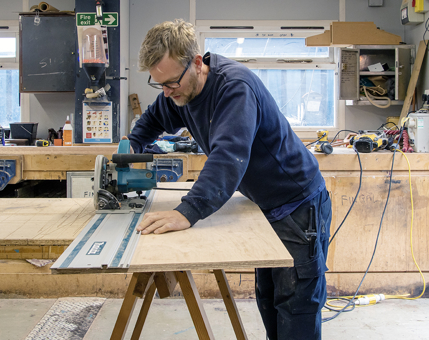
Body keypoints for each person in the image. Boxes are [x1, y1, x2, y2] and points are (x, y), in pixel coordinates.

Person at [128, 19, 332, 340]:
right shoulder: (181, 90)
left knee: (296, 304)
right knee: (268, 299)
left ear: (197, 63)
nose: (167, 93)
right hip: (265, 205)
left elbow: (228, 158)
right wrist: (129, 149)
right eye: (160, 85)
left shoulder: (234, 88)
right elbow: (153, 119)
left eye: (170, 84)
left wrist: (187, 212)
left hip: (297, 204)